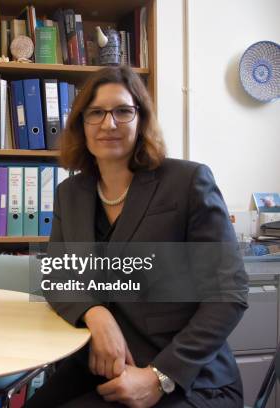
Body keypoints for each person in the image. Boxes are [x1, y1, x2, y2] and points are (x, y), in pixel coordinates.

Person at [25, 66, 248, 407]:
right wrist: (95, 313)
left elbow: (229, 294)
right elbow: (57, 274)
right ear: (81, 124)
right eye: (95, 112)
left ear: (141, 119)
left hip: (187, 378)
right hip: (99, 365)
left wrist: (160, 376)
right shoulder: (70, 192)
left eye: (123, 111)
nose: (108, 123)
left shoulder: (187, 182)